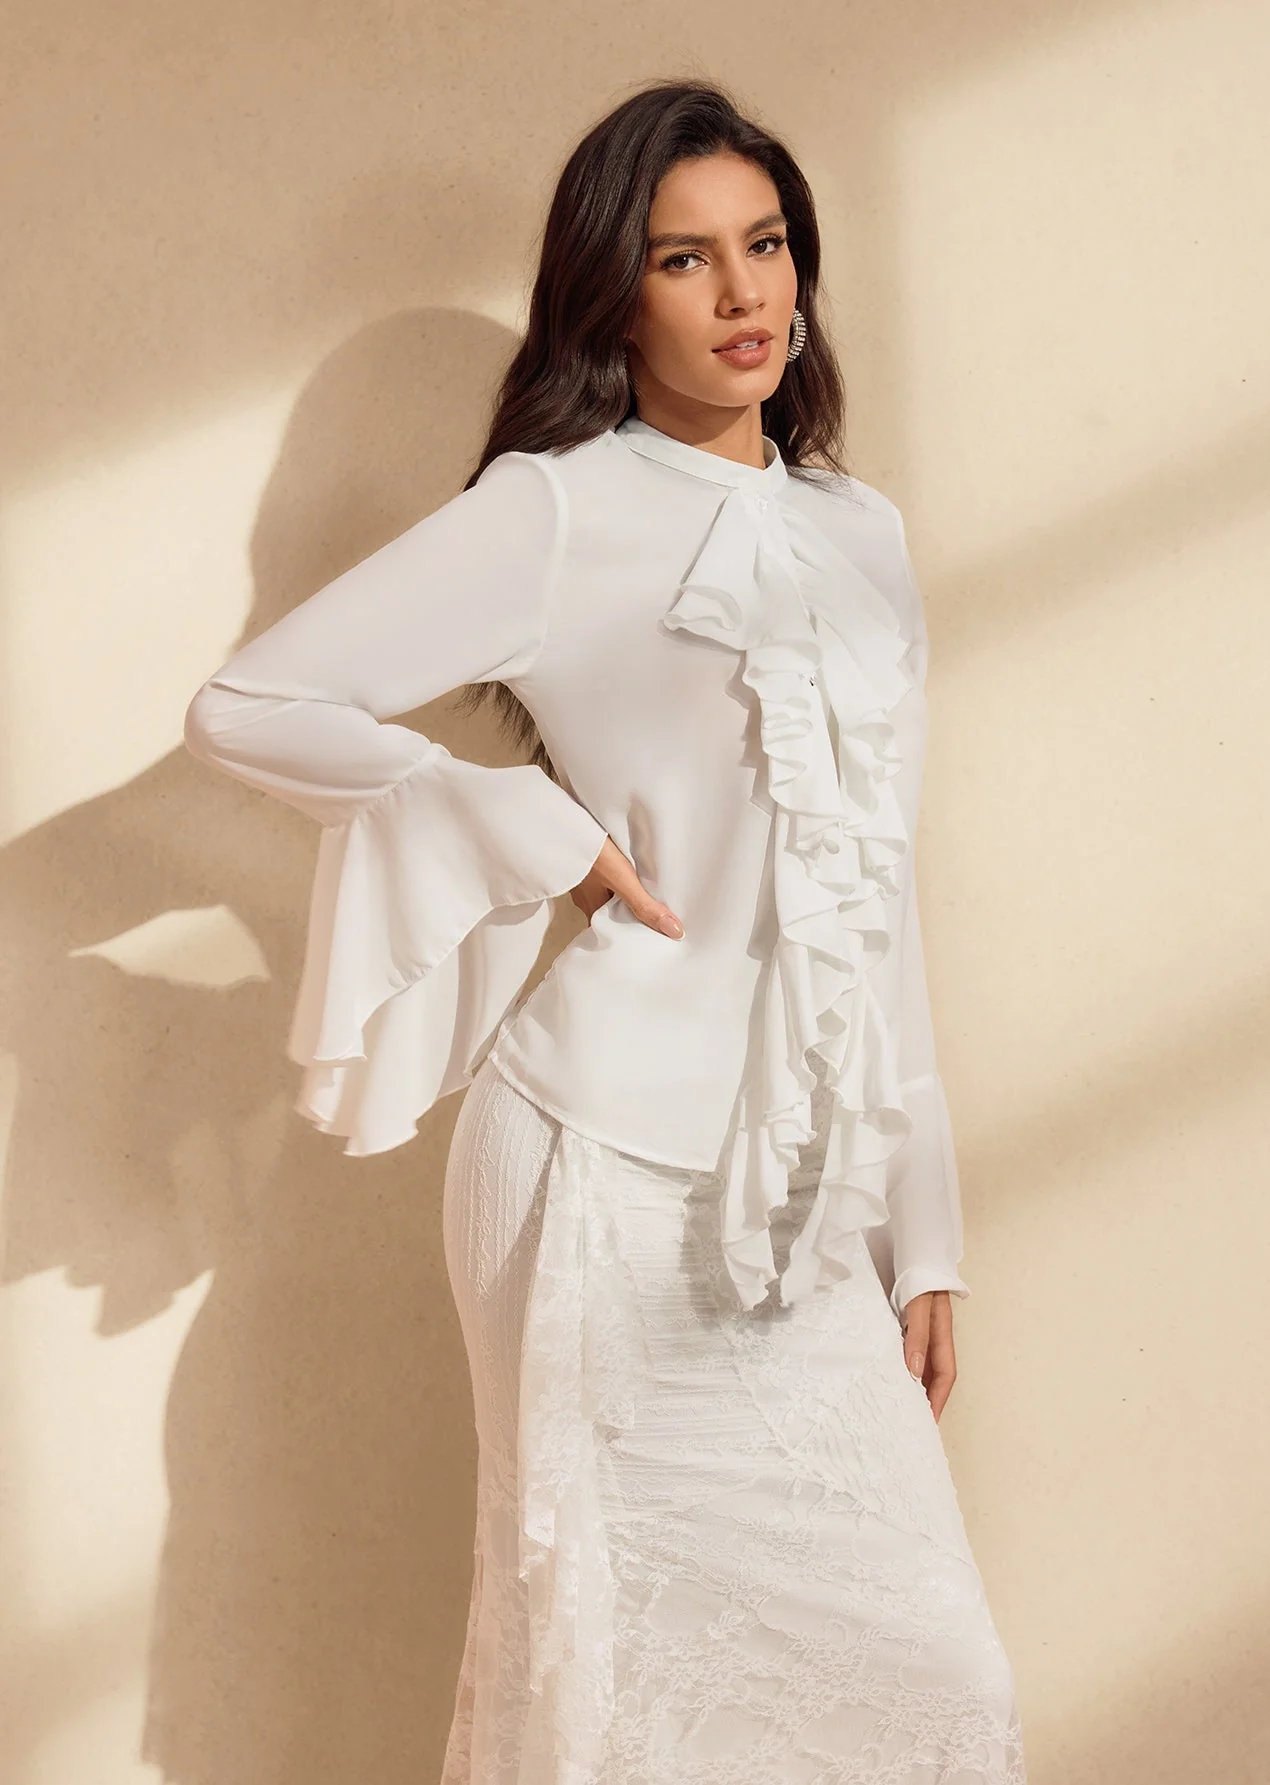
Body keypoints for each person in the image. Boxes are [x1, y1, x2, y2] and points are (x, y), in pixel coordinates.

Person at [183, 77, 1027, 1785]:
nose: (744, 294)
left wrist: (922, 1227)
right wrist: (530, 826)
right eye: (683, 258)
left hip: (803, 1193)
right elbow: (246, 705)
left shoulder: (862, 533)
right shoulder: (559, 507)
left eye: (766, 245)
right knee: (613, 1694)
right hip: (595, 1168)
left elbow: (871, 891)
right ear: (610, 296)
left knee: (937, 1681)